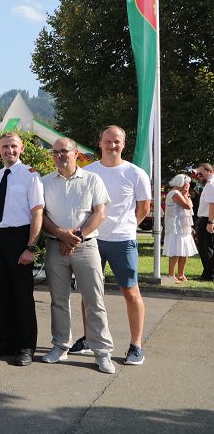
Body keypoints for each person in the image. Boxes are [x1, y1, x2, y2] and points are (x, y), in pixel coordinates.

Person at [69, 126, 152, 365]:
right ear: (100, 143)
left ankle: (136, 346)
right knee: (89, 292)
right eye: (108, 141)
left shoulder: (135, 173)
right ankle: (89, 338)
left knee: (131, 292)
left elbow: (144, 207)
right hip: (92, 240)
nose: (112, 145)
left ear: (123, 144)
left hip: (122, 241)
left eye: (116, 141)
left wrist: (126, 227)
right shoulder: (88, 172)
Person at [39, 138, 116, 374]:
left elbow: (99, 213)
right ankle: (61, 346)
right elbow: (41, 215)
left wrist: (76, 237)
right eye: (55, 152)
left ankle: (102, 352)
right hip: (56, 247)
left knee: (94, 300)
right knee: (58, 300)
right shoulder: (44, 182)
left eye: (64, 151)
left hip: (86, 247)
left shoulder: (92, 179)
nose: (59, 155)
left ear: (75, 154)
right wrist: (61, 235)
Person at [0, 132, 44, 367]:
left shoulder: (31, 175)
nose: (10, 150)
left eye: (14, 146)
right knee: (2, 294)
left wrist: (31, 247)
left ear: (22, 149)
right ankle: (6, 342)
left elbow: (37, 213)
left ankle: (26, 347)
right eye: (5, 147)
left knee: (22, 296)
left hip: (20, 239)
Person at [164, 174, 198, 282]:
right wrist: (186, 193)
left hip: (184, 226)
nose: (189, 185)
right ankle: (171, 275)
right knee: (175, 251)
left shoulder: (181, 193)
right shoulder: (175, 193)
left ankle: (180, 274)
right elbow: (187, 206)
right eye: (187, 183)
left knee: (184, 250)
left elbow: (190, 206)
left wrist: (186, 194)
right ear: (182, 183)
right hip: (175, 226)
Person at [196, 163, 214, 281]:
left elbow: (212, 204)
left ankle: (208, 274)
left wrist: (210, 222)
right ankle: (208, 273)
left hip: (207, 219)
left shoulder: (210, 184)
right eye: (198, 173)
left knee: (205, 248)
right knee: (208, 247)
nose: (198, 176)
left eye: (201, 173)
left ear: (209, 171)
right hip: (208, 218)